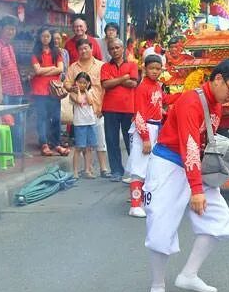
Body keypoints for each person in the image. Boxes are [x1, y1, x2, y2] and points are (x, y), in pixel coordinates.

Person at [143, 59, 229, 292]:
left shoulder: (217, 104)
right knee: (160, 225)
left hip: (192, 167)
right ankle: (157, 284)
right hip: (168, 165)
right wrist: (197, 190)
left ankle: (189, 274)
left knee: (219, 220)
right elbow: (189, 146)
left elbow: (200, 146)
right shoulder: (191, 101)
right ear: (218, 79)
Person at [65, 38, 112, 177]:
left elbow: (106, 87)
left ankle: (103, 168)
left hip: (98, 107)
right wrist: (72, 88)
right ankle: (88, 169)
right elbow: (66, 84)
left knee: (99, 139)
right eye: (80, 49)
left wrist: (103, 107)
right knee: (83, 142)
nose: (83, 51)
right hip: (81, 110)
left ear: (92, 49)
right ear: (77, 51)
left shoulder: (102, 65)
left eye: (86, 48)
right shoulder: (73, 67)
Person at [126, 54, 165, 217]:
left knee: (150, 168)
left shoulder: (157, 85)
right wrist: (145, 138)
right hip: (145, 128)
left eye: (158, 68)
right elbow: (140, 114)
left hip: (155, 128)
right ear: (145, 68)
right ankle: (135, 205)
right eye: (152, 68)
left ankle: (143, 201)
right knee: (139, 167)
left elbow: (159, 104)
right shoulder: (142, 87)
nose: (155, 71)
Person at [101, 38, 139, 180]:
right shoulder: (105, 66)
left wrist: (114, 80)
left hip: (128, 108)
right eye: (112, 48)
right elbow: (105, 84)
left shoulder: (132, 65)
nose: (115, 50)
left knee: (131, 141)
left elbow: (133, 83)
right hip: (110, 108)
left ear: (123, 49)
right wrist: (123, 78)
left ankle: (134, 171)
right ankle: (116, 171)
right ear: (109, 51)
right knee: (111, 140)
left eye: (117, 47)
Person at [0, 16, 26, 156]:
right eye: (9, 29)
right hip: (4, 92)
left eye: (13, 29)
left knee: (17, 122)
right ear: (1, 29)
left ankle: (16, 151)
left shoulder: (10, 46)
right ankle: (5, 151)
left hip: (16, 90)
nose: (12, 32)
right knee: (5, 122)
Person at [29, 27, 67, 157]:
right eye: (43, 36)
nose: (46, 38)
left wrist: (45, 70)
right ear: (39, 37)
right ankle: (44, 143)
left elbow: (60, 69)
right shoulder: (35, 53)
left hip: (54, 90)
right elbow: (37, 71)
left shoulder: (56, 52)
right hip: (39, 90)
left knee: (56, 118)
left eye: (48, 36)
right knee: (42, 118)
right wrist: (52, 68)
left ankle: (56, 144)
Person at [69, 72, 101, 178]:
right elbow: (78, 101)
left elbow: (91, 102)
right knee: (78, 148)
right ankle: (75, 171)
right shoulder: (73, 94)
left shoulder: (90, 92)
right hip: (79, 124)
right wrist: (78, 90)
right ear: (76, 83)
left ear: (88, 83)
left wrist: (86, 90)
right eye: (80, 82)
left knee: (89, 148)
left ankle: (87, 170)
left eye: (84, 83)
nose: (82, 85)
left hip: (90, 122)